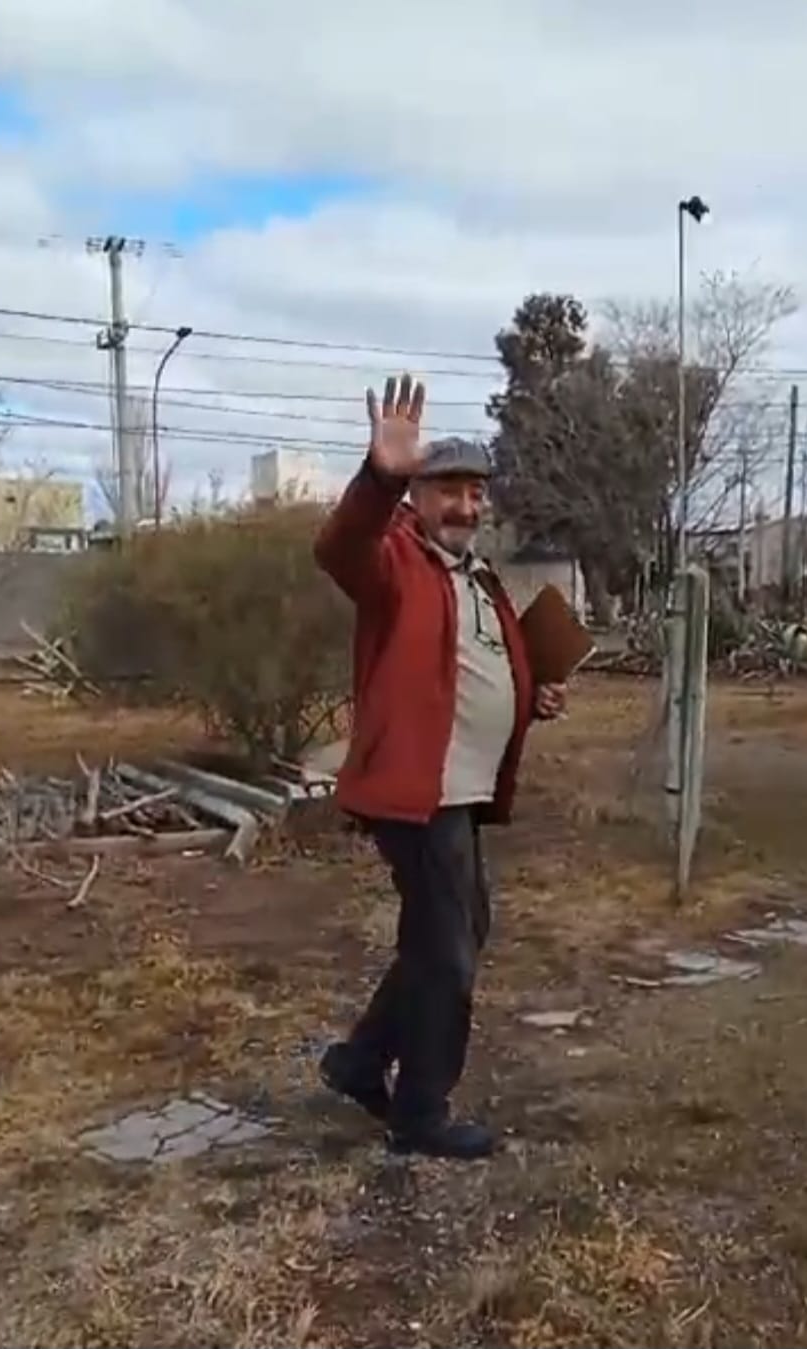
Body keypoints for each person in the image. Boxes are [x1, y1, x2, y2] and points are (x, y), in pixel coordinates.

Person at [312, 372, 566, 1160]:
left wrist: (532, 695)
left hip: (461, 792)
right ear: (418, 497)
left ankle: (358, 1061)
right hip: (414, 791)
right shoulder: (391, 561)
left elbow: (478, 668)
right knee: (449, 950)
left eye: (476, 493)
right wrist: (380, 474)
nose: (467, 507)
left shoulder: (478, 579)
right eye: (449, 491)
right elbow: (338, 546)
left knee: (451, 935)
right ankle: (419, 1111)